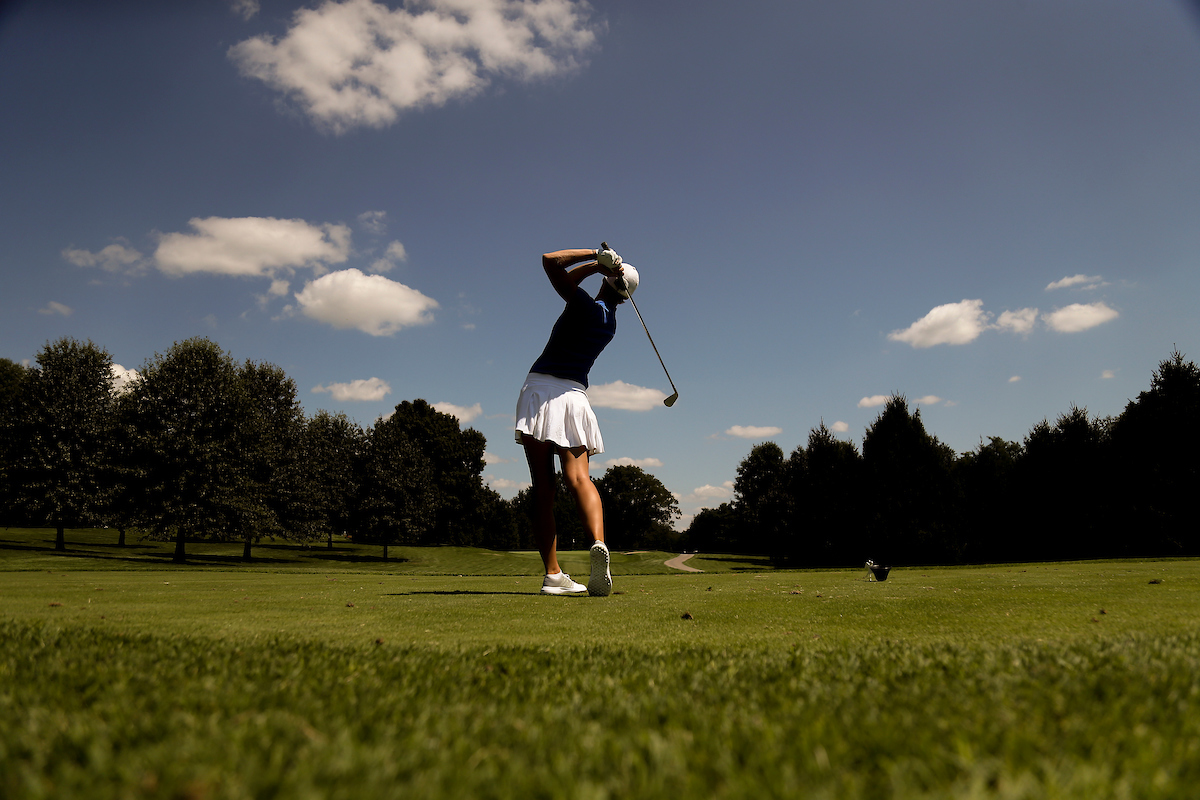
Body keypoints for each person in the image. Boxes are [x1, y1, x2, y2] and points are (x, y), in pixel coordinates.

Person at [515, 245, 639, 596]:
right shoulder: (609, 323)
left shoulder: (586, 305)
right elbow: (565, 279)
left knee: (544, 487)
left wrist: (593, 258)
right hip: (574, 399)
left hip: (540, 390)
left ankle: (553, 575)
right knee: (579, 478)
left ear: (609, 282)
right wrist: (605, 270)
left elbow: (550, 262)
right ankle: (598, 542)